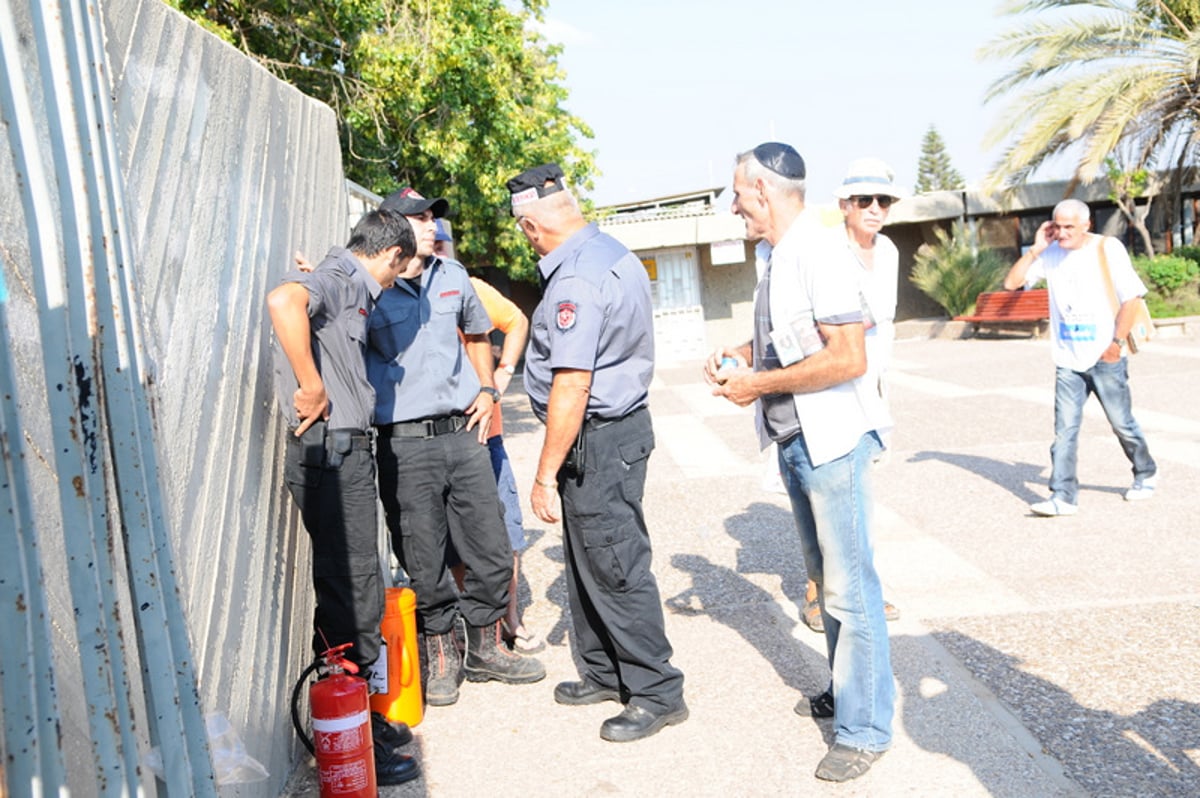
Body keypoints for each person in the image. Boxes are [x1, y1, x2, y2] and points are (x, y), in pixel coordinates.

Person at [704, 143, 893, 782]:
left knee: (850, 591)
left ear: (761, 188)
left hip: (832, 443)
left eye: (736, 193)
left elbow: (848, 358)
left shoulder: (819, 253)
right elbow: (792, 335)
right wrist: (741, 353)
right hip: (797, 441)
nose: (733, 206)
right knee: (827, 584)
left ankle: (864, 730)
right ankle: (847, 694)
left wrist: (756, 385)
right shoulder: (779, 256)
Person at [508, 163, 687, 743]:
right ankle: (606, 671)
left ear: (531, 227)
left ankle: (656, 690)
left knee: (615, 564)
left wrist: (543, 475)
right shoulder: (611, 251)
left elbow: (572, 384)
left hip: (599, 439)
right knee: (588, 557)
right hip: (615, 434)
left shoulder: (576, 281)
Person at [367, 187, 546, 707]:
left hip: (464, 435)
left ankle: (487, 649)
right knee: (423, 558)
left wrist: (488, 390)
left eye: (431, 217)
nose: (430, 225)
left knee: (491, 548)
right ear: (391, 226)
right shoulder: (372, 287)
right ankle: (442, 655)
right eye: (418, 218)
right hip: (404, 444)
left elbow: (477, 335)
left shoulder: (454, 277)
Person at [267, 209, 420, 785]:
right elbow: (284, 302)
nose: (391, 284)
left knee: (353, 585)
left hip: (344, 454)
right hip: (332, 454)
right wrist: (310, 383)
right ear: (390, 256)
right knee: (351, 588)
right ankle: (346, 729)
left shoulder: (343, 279)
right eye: (395, 272)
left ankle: (353, 717)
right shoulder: (342, 278)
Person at [1002, 198, 1158, 516]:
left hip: (1105, 355)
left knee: (1122, 424)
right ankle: (1063, 496)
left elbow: (1131, 298)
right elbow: (1011, 283)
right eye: (1057, 225)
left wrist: (1114, 345)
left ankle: (1145, 473)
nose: (1062, 232)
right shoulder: (1050, 253)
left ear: (1087, 225)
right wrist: (1035, 249)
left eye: (1069, 226)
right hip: (1067, 359)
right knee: (1064, 431)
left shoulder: (1107, 248)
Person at [801, 158, 903, 634]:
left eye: (884, 200)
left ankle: (861, 590)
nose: (875, 209)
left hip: (872, 385)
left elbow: (884, 320)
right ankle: (818, 590)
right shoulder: (823, 250)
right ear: (844, 205)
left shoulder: (890, 251)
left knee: (858, 494)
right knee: (824, 492)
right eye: (865, 200)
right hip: (832, 382)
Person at [433, 220, 544, 654]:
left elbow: (517, 321)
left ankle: (509, 622)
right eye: (431, 244)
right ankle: (475, 623)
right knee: (454, 541)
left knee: (506, 534)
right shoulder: (404, 293)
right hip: (438, 440)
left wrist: (502, 373)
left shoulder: (471, 287)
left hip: (486, 435)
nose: (437, 252)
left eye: (443, 244)